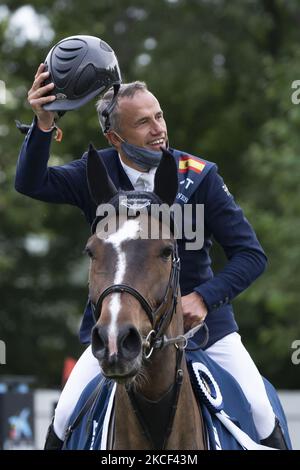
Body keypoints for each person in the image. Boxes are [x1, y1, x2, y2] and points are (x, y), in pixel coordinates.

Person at [15, 64, 288, 450]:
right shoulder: (94, 174)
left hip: (205, 331)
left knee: (261, 412)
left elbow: (251, 255)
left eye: (159, 115)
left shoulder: (200, 176)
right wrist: (43, 123)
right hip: (116, 326)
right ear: (114, 136)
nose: (158, 128)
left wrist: (205, 297)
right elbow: (29, 182)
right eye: (143, 122)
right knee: (62, 419)